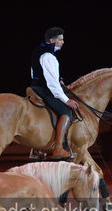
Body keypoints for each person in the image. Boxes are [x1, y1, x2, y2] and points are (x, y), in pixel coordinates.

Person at [30, 27, 79, 160]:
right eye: (60, 39)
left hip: (36, 87)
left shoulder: (39, 51)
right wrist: (66, 100)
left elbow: (37, 73)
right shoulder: (48, 56)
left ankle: (37, 149)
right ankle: (58, 148)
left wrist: (59, 80)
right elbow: (51, 84)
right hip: (44, 89)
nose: (63, 42)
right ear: (52, 40)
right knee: (66, 112)